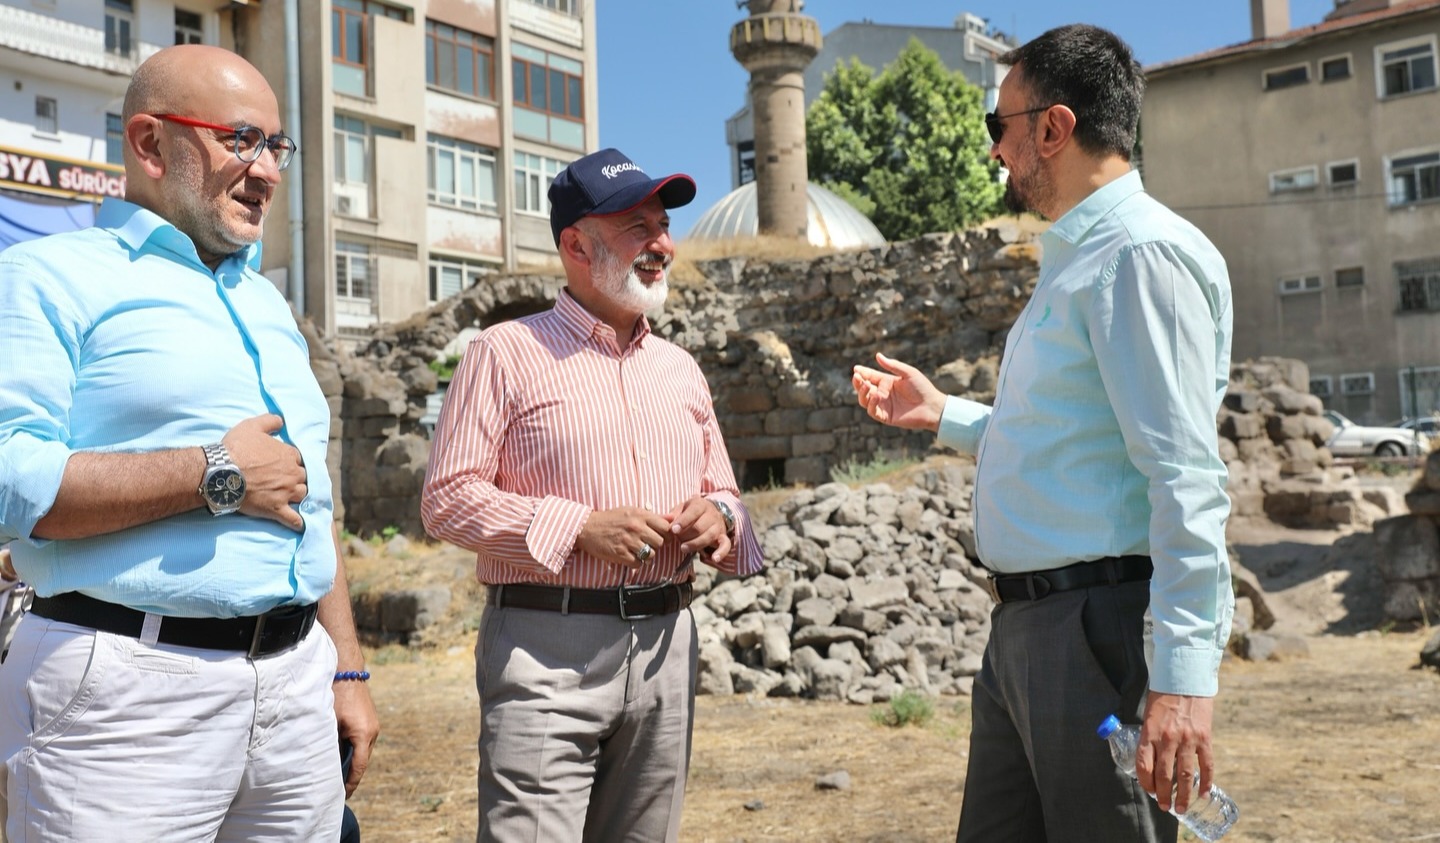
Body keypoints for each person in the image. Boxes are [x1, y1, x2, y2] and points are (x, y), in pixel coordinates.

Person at [852, 24, 1234, 843]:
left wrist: (1181, 682)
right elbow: (1071, 444)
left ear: (1053, 128)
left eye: (1001, 126)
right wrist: (941, 412)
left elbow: (1186, 479)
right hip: (1029, 635)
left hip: (1093, 637)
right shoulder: (1081, 260)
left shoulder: (1137, 257)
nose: (995, 151)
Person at [0, 45, 379, 840]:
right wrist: (216, 474)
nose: (268, 170)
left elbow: (314, 507)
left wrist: (343, 667)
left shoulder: (270, 306)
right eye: (240, 139)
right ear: (148, 143)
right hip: (127, 695)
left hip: (295, 681)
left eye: (277, 145)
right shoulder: (43, 277)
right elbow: (9, 481)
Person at [421, 147, 763, 841]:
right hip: (548, 649)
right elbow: (446, 497)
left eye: (663, 226)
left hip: (669, 644)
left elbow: (726, 490)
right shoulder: (503, 352)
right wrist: (577, 527)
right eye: (638, 227)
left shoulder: (681, 369)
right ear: (576, 244)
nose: (662, 244)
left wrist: (721, 515)